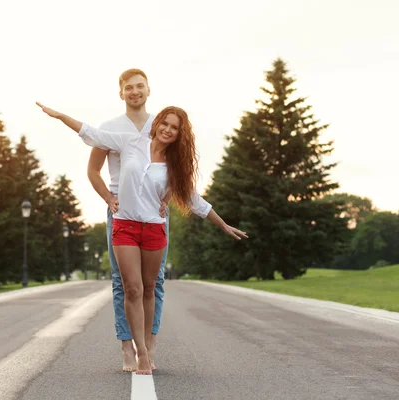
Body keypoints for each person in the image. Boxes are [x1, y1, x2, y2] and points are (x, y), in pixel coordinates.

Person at [36, 102, 248, 375]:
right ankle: (142, 354)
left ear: (179, 135)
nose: (168, 130)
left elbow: (195, 200)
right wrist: (60, 115)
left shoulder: (174, 165)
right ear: (157, 122)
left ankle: (146, 346)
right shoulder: (129, 142)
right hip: (124, 225)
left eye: (174, 128)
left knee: (149, 288)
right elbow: (91, 133)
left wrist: (222, 224)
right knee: (131, 288)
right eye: (166, 124)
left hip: (154, 230)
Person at [86, 69, 194, 373]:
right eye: (129, 88)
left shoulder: (159, 124)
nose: (135, 92)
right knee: (123, 283)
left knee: (154, 282)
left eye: (140, 87)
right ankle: (126, 348)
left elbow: (178, 166)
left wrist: (169, 197)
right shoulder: (110, 128)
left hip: (155, 215)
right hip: (121, 212)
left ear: (149, 90)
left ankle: (148, 346)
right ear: (121, 93)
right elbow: (93, 170)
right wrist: (108, 198)